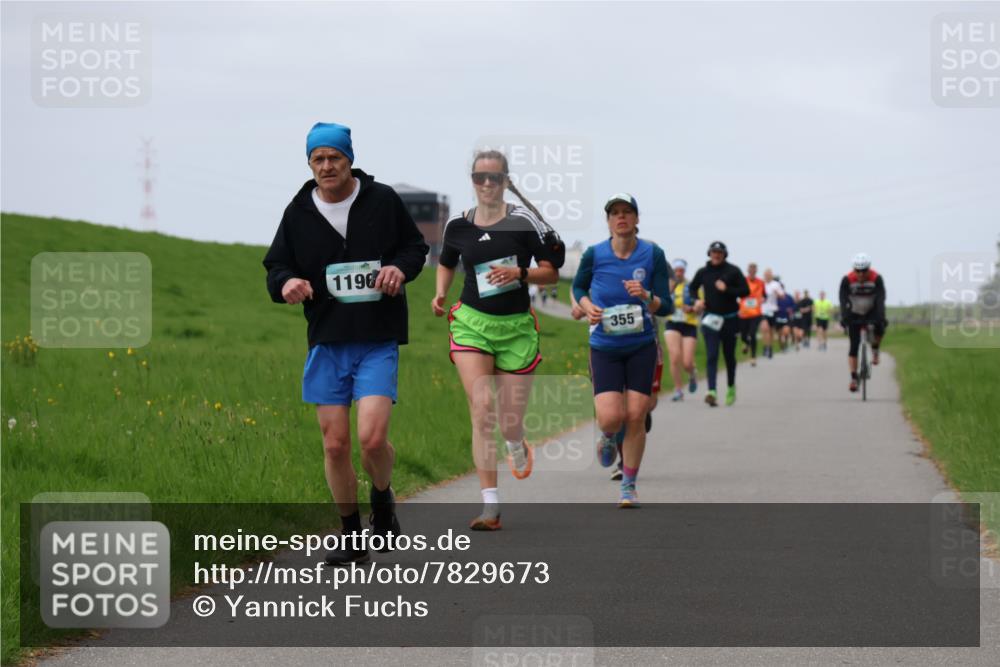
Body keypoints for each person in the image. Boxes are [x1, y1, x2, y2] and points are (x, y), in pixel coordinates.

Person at [264, 122, 429, 566]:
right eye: (317, 159)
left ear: (349, 159)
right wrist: (287, 283)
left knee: (372, 440)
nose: (326, 165)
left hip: (376, 337)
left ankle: (382, 498)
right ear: (309, 164)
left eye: (334, 157)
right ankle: (351, 535)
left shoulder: (382, 200)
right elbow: (276, 267)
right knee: (335, 445)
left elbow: (415, 248)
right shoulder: (298, 212)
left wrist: (399, 269)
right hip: (327, 339)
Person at [432, 150, 564, 530]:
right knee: (482, 408)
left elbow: (551, 273)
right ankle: (490, 506)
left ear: (506, 181)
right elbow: (446, 262)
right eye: (480, 177)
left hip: (516, 329)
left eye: (494, 178)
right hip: (472, 324)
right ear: (472, 180)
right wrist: (440, 293)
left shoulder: (523, 222)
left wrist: (519, 273)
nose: (487, 184)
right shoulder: (458, 225)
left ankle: (516, 440)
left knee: (509, 422)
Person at [572, 193, 672, 507]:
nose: (621, 217)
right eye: (615, 212)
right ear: (608, 221)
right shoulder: (594, 254)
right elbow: (578, 287)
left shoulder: (653, 254)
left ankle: (628, 485)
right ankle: (607, 436)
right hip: (604, 346)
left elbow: (666, 306)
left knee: (636, 415)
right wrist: (587, 306)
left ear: (637, 219)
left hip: (641, 345)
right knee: (610, 418)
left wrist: (646, 295)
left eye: (627, 212)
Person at [688, 241, 749, 406]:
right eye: (714, 252)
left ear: (724, 255)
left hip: (730, 319)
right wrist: (696, 300)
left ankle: (731, 387)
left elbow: (745, 291)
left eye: (719, 252)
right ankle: (711, 391)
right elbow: (692, 288)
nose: (716, 255)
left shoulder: (733, 271)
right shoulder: (703, 272)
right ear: (709, 254)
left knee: (729, 356)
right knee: (712, 355)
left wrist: (727, 289)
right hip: (710, 319)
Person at [839, 252, 887, 392]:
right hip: (854, 311)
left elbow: (881, 299)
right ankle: (854, 378)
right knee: (854, 346)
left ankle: (875, 348)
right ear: (853, 269)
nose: (860, 274)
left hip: (871, 309)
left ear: (869, 268)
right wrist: (844, 317)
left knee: (880, 326)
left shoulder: (876, 278)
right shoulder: (847, 280)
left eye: (864, 270)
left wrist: (880, 317)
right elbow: (843, 300)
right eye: (858, 270)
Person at [664, 258, 700, 401]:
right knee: (674, 357)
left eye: (681, 270)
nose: (678, 273)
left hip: (689, 324)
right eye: (676, 270)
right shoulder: (667, 286)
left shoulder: (692, 286)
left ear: (684, 271)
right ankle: (678, 390)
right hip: (672, 322)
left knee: (687, 362)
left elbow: (700, 305)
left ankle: (692, 373)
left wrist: (693, 308)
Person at [738, 262, 766, 366]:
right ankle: (747, 343)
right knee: (743, 336)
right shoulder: (742, 281)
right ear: (748, 270)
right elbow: (738, 293)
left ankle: (753, 357)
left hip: (756, 313)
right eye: (751, 269)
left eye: (754, 269)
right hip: (744, 313)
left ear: (756, 271)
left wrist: (763, 299)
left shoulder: (761, 282)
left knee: (753, 333)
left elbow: (765, 295)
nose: (752, 271)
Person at [760, 268, 784, 359]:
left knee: (771, 331)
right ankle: (765, 347)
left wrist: (777, 293)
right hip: (763, 310)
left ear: (771, 275)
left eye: (769, 274)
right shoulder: (761, 283)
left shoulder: (776, 284)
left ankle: (770, 348)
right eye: (766, 275)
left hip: (773, 310)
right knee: (764, 328)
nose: (767, 276)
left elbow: (782, 296)